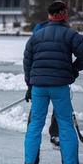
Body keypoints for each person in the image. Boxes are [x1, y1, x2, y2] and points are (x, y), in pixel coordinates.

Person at [23, 0, 83, 164]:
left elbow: (27, 61)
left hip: (39, 87)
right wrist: (73, 69)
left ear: (49, 15)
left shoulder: (36, 36)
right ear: (65, 15)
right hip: (60, 86)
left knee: (35, 124)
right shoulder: (71, 34)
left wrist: (29, 85)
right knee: (65, 125)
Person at [30, 21, 61, 149]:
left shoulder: (63, 30)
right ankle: (31, 135)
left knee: (59, 109)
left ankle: (55, 134)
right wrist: (29, 84)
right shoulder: (39, 30)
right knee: (37, 112)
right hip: (40, 80)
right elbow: (30, 58)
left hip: (58, 79)